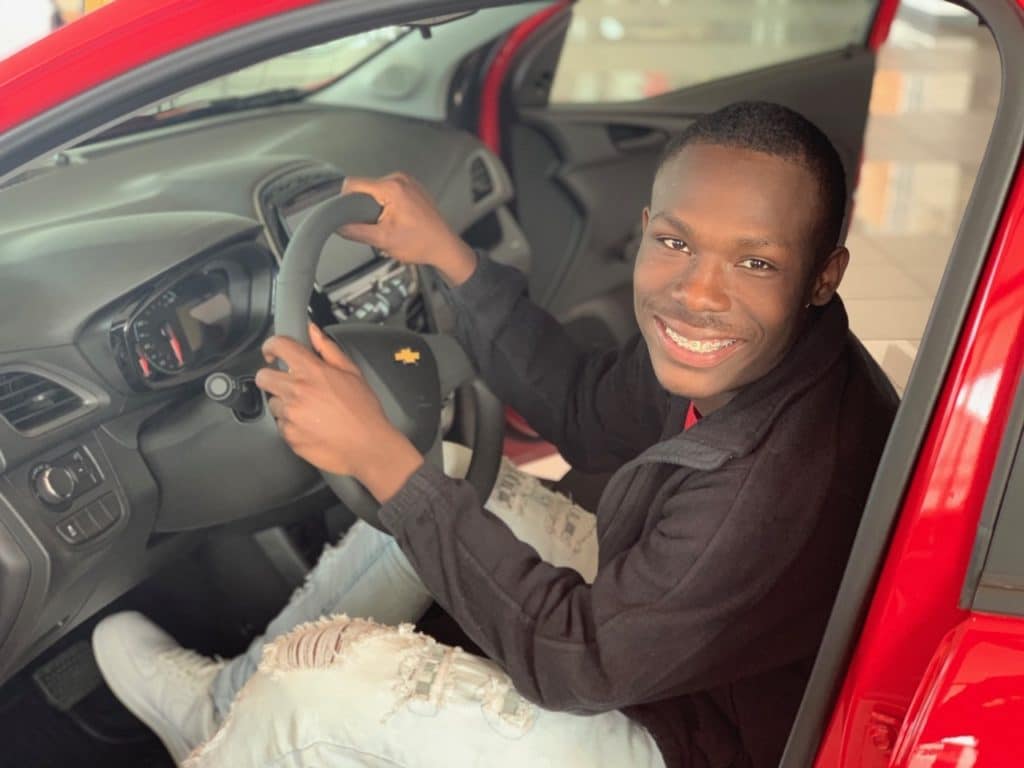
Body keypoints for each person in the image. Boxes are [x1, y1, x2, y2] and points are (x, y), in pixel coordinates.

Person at [92, 101, 898, 768]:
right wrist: (450, 257)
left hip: (702, 743)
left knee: (322, 686)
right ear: (648, 226)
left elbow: (576, 662)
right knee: (456, 472)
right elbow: (583, 408)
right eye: (677, 244)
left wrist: (377, 456)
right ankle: (221, 715)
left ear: (824, 275)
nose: (698, 295)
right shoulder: (750, 357)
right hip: (682, 661)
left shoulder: (773, 478)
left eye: (754, 264)